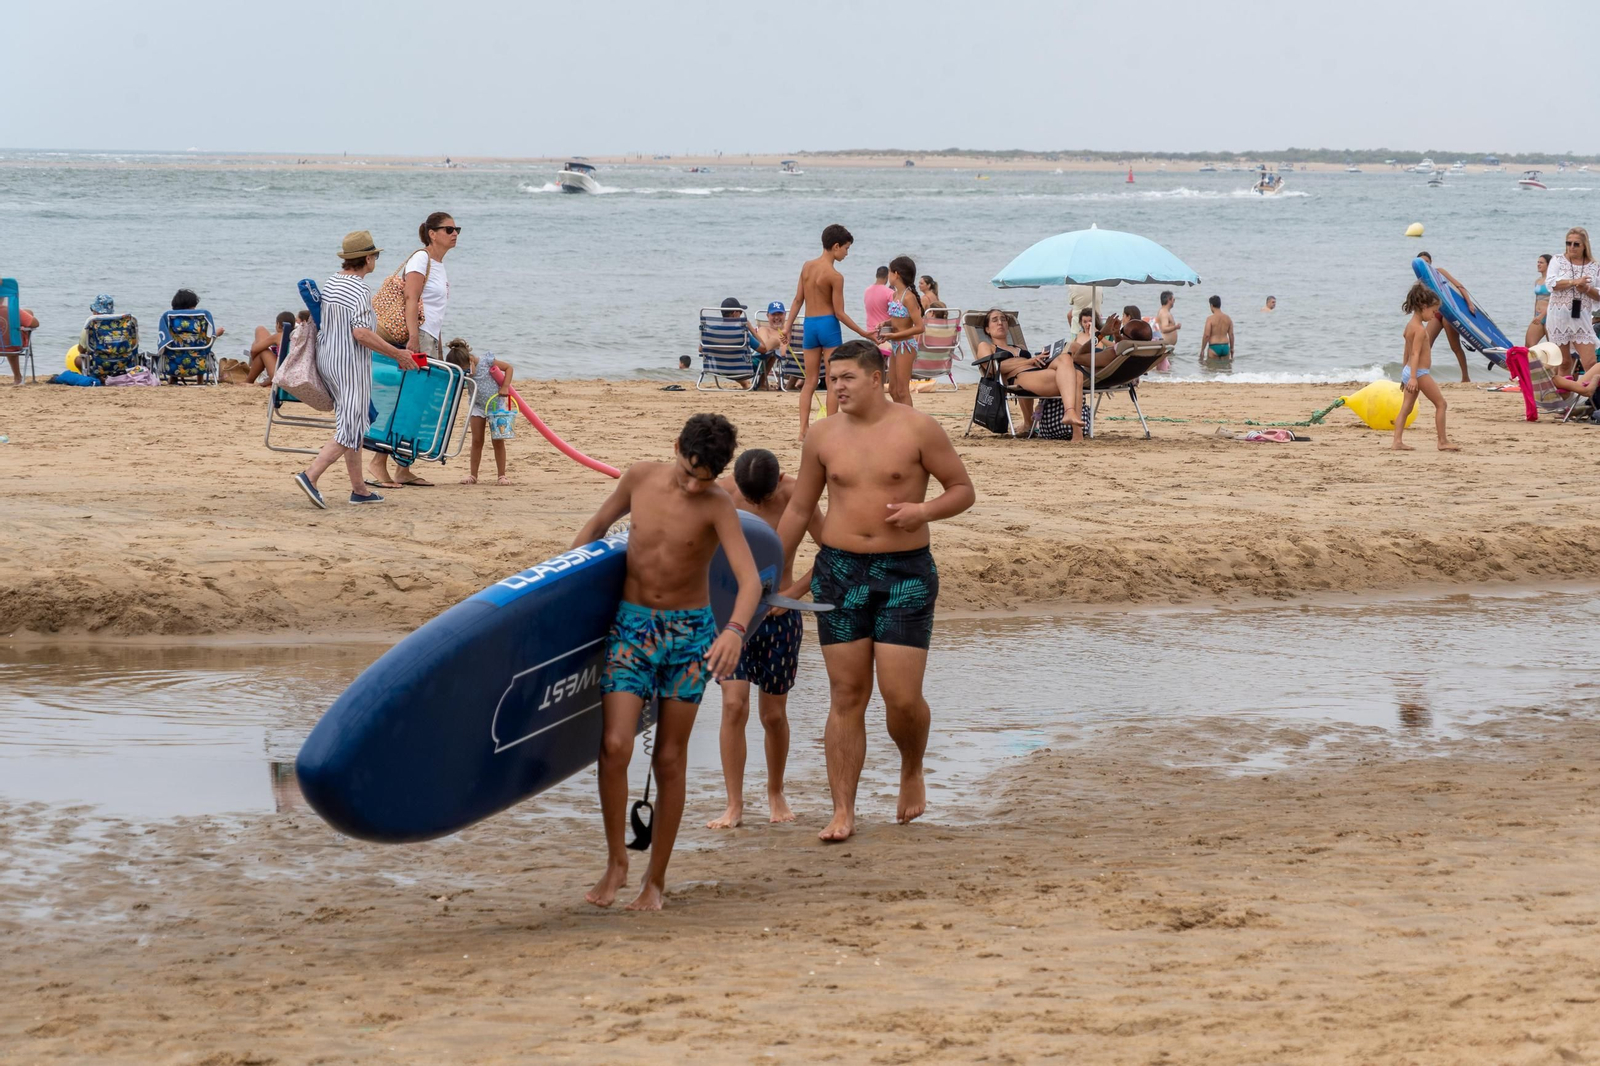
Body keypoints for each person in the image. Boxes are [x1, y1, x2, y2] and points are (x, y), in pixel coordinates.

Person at [776, 341, 976, 841]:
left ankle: (911, 769)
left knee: (901, 697)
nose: (836, 387)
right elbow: (800, 509)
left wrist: (923, 512)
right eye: (831, 378)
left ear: (875, 378)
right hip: (839, 571)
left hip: (905, 573)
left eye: (845, 377)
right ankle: (843, 809)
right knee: (846, 694)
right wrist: (774, 572)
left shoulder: (918, 428)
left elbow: (962, 489)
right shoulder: (821, 435)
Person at [569, 413, 762, 910]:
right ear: (676, 446)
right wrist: (561, 583)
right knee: (614, 746)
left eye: (704, 478)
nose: (693, 484)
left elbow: (750, 581)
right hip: (632, 628)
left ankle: (655, 881)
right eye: (687, 470)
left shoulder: (718, 506)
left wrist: (735, 631)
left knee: (670, 758)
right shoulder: (639, 476)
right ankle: (617, 861)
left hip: (688, 636)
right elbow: (597, 525)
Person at [706, 448, 824, 830]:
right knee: (733, 706)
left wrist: (796, 593)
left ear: (779, 479)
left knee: (773, 715)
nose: (757, 505)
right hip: (730, 618)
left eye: (764, 498)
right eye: (749, 498)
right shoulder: (722, 494)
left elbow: (833, 549)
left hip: (779, 616)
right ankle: (734, 804)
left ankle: (776, 792)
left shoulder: (794, 494)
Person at [293, 232, 421, 508]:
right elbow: (361, 333)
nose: (376, 259)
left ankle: (359, 489)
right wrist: (397, 353)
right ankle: (311, 475)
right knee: (353, 426)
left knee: (352, 421)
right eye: (375, 255)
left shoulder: (334, 281)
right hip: (349, 364)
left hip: (328, 359)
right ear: (366, 259)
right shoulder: (360, 290)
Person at [367, 211, 458, 489]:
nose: (455, 234)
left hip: (429, 338)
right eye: (449, 229)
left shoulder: (439, 265)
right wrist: (414, 338)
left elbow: (435, 312)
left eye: (457, 229)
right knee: (405, 401)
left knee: (417, 405)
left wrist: (437, 345)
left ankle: (403, 467)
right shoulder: (421, 259)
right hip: (414, 338)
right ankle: (378, 463)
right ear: (432, 233)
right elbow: (411, 298)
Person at [786, 224, 874, 440]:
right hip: (828, 326)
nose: (847, 253)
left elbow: (798, 300)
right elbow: (840, 313)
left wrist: (787, 328)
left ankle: (803, 430)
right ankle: (830, 429)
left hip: (809, 325)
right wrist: (864, 333)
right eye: (846, 248)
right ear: (836, 246)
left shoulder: (807, 266)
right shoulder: (835, 276)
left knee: (810, 381)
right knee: (833, 380)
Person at [1393, 282, 1457, 452]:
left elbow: (1406, 352)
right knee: (1441, 404)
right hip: (1419, 373)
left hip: (1409, 371)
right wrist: (1413, 377)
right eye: (1433, 311)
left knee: (1405, 409)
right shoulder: (1420, 330)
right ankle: (1442, 441)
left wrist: (1404, 375)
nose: (1434, 315)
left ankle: (1397, 441)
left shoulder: (1409, 326)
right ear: (1423, 306)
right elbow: (1414, 354)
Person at [446, 338, 515, 485]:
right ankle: (473, 475)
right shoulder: (465, 373)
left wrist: (505, 387)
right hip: (477, 407)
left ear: (470, 359)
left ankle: (501, 475)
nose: (465, 372)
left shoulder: (487, 361)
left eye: (465, 368)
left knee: (498, 441)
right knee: (477, 441)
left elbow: (509, 368)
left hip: (496, 406)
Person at [1543, 227, 1600, 375]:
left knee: (1591, 362)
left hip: (1582, 319)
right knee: (1564, 363)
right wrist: (1574, 282)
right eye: (1568, 243)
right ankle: (1565, 396)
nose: (1571, 247)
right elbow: (1551, 284)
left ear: (1584, 245)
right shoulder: (1558, 260)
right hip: (1558, 318)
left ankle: (1593, 394)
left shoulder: (1594, 267)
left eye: (1576, 244)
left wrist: (1586, 289)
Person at [974, 307, 1039, 433]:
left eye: (1003, 319)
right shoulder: (986, 346)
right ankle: (1030, 423)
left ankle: (1032, 422)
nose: (1000, 322)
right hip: (1010, 381)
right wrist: (1026, 362)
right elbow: (992, 368)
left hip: (1033, 375)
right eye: (995, 320)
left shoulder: (1020, 347)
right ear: (987, 329)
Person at [1413, 252, 1472, 382]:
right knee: (1426, 344)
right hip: (1435, 314)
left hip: (1449, 313)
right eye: (1422, 262)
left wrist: (1469, 304)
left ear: (1431, 262)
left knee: (1455, 347)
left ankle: (1465, 377)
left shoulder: (1439, 272)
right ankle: (1422, 374)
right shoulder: (1420, 282)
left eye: (1427, 262)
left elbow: (1459, 286)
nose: (1425, 264)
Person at [878, 255, 926, 406]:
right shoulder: (894, 295)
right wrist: (885, 323)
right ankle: (900, 418)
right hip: (896, 345)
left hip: (906, 345)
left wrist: (894, 335)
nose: (889, 276)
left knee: (902, 390)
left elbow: (919, 327)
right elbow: (899, 319)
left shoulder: (909, 297)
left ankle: (908, 424)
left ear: (896, 274)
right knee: (892, 389)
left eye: (890, 272)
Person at [244, 312, 295, 386]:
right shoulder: (295, 335)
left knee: (264, 351)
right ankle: (256, 382)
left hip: (278, 376)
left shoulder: (279, 336)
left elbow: (254, 350)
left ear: (278, 324)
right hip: (290, 373)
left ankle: (248, 381)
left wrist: (254, 359)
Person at [3, 306, 39, 385]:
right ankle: (17, 377)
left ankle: (18, 377)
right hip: (11, 345)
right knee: (11, 341)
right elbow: (36, 323)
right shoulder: (13, 311)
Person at [864, 266, 893, 350]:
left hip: (870, 332)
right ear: (887, 276)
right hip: (884, 332)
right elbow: (896, 313)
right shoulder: (890, 293)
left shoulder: (867, 291)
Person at [1527, 253, 1553, 348]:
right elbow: (1536, 300)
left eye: (1541, 262)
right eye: (1538, 262)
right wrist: (1535, 316)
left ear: (1548, 265)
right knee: (1529, 346)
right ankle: (1535, 363)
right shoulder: (1538, 281)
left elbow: (1553, 302)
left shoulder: (1552, 281)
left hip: (1549, 317)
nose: (1538, 264)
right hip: (1538, 317)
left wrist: (1542, 315)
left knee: (1554, 347)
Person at [1199, 295, 1235, 360]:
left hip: (1214, 347)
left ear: (1211, 305)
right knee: (1225, 369)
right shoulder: (1228, 318)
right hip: (1225, 347)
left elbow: (1206, 335)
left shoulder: (1210, 319)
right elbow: (1231, 335)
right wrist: (1232, 348)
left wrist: (1202, 349)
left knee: (1211, 369)